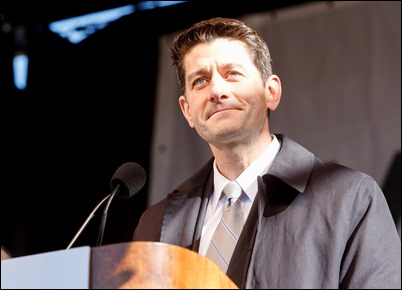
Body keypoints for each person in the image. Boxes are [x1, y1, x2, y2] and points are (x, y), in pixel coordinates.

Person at [133, 17, 401, 288]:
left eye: (232, 74)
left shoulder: (349, 199)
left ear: (270, 92)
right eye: (200, 81)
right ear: (187, 110)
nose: (217, 90)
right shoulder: (154, 223)